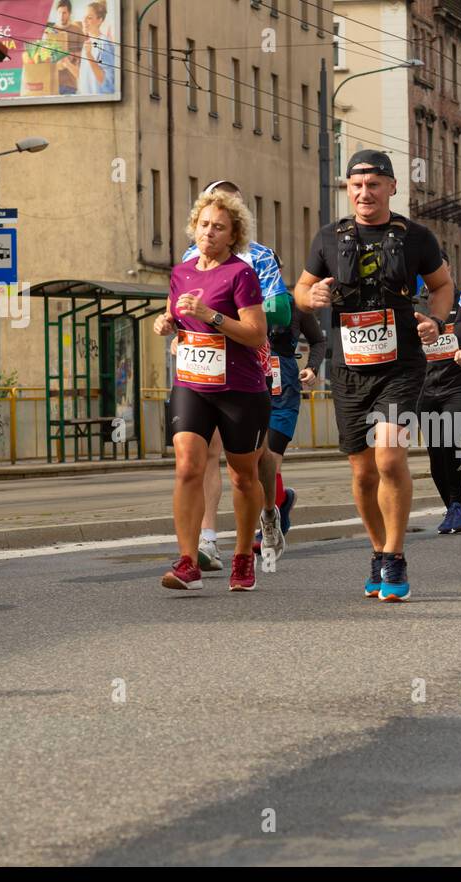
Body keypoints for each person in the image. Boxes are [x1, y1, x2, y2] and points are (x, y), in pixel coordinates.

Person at [293, 149, 453, 601]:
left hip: (401, 364)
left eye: (374, 184)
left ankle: (397, 556)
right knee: (363, 473)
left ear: (392, 187)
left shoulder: (416, 237)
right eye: (357, 185)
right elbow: (301, 291)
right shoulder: (328, 237)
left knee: (388, 457)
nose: (365, 192)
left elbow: (442, 286)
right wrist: (314, 295)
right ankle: (379, 551)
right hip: (349, 367)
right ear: (349, 189)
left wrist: (437, 322)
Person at [178, 180, 305, 571]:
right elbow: (181, 305)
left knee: (248, 463)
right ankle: (208, 542)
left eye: (226, 212)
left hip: (249, 366)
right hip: (199, 367)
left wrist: (226, 312)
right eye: (206, 220)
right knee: (198, 456)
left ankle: (269, 509)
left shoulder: (260, 257)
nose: (211, 229)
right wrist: (175, 323)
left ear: (237, 219)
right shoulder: (187, 258)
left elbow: (280, 313)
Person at [155, 190, 268, 591]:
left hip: (240, 388)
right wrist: (167, 323)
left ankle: (241, 556)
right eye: (204, 225)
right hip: (192, 383)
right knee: (187, 466)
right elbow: (178, 314)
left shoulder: (241, 274)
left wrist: (212, 316)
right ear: (194, 227)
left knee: (242, 476)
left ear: (233, 234)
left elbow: (256, 335)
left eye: (219, 227)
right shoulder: (181, 272)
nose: (209, 232)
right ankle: (188, 562)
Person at [417, 255, 461, 534]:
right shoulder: (414, 303)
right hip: (424, 388)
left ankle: (457, 505)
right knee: (435, 451)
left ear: (448, 270)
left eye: (440, 267)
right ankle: (450, 507)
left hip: (456, 386)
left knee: (450, 439)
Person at [77, 1, 115, 97]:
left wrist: (89, 55)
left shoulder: (104, 43)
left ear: (100, 20)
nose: (84, 21)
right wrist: (67, 63)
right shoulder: (87, 43)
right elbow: (84, 78)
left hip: (99, 103)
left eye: (89, 18)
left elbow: (106, 83)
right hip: (85, 102)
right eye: (84, 17)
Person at [52, 0, 85, 96]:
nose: (61, 16)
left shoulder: (77, 30)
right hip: (53, 82)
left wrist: (72, 55)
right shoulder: (50, 31)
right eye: (59, 13)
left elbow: (85, 55)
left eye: (64, 13)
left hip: (70, 84)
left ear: (69, 13)